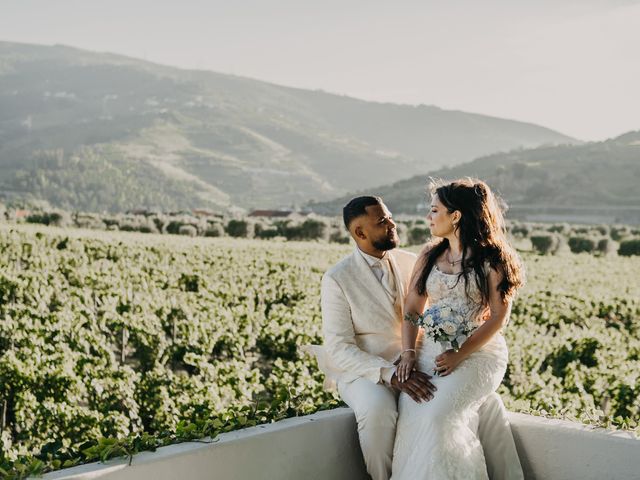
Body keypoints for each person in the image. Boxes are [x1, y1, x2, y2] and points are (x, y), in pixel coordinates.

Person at [311, 195, 523, 480]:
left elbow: (455, 301)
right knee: (379, 412)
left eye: (389, 216)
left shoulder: (415, 259)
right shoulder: (337, 278)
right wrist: (389, 373)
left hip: (422, 357)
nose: (392, 223)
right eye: (382, 221)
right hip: (366, 370)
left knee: (487, 403)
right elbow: (339, 348)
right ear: (360, 233)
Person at [392, 179, 525, 479]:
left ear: (455, 216)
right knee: (412, 412)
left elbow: (498, 317)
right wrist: (409, 353)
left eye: (434, 210)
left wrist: (460, 354)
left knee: (440, 416)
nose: (429, 217)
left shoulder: (493, 259)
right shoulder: (428, 256)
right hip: (431, 352)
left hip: (478, 354)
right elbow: (412, 310)